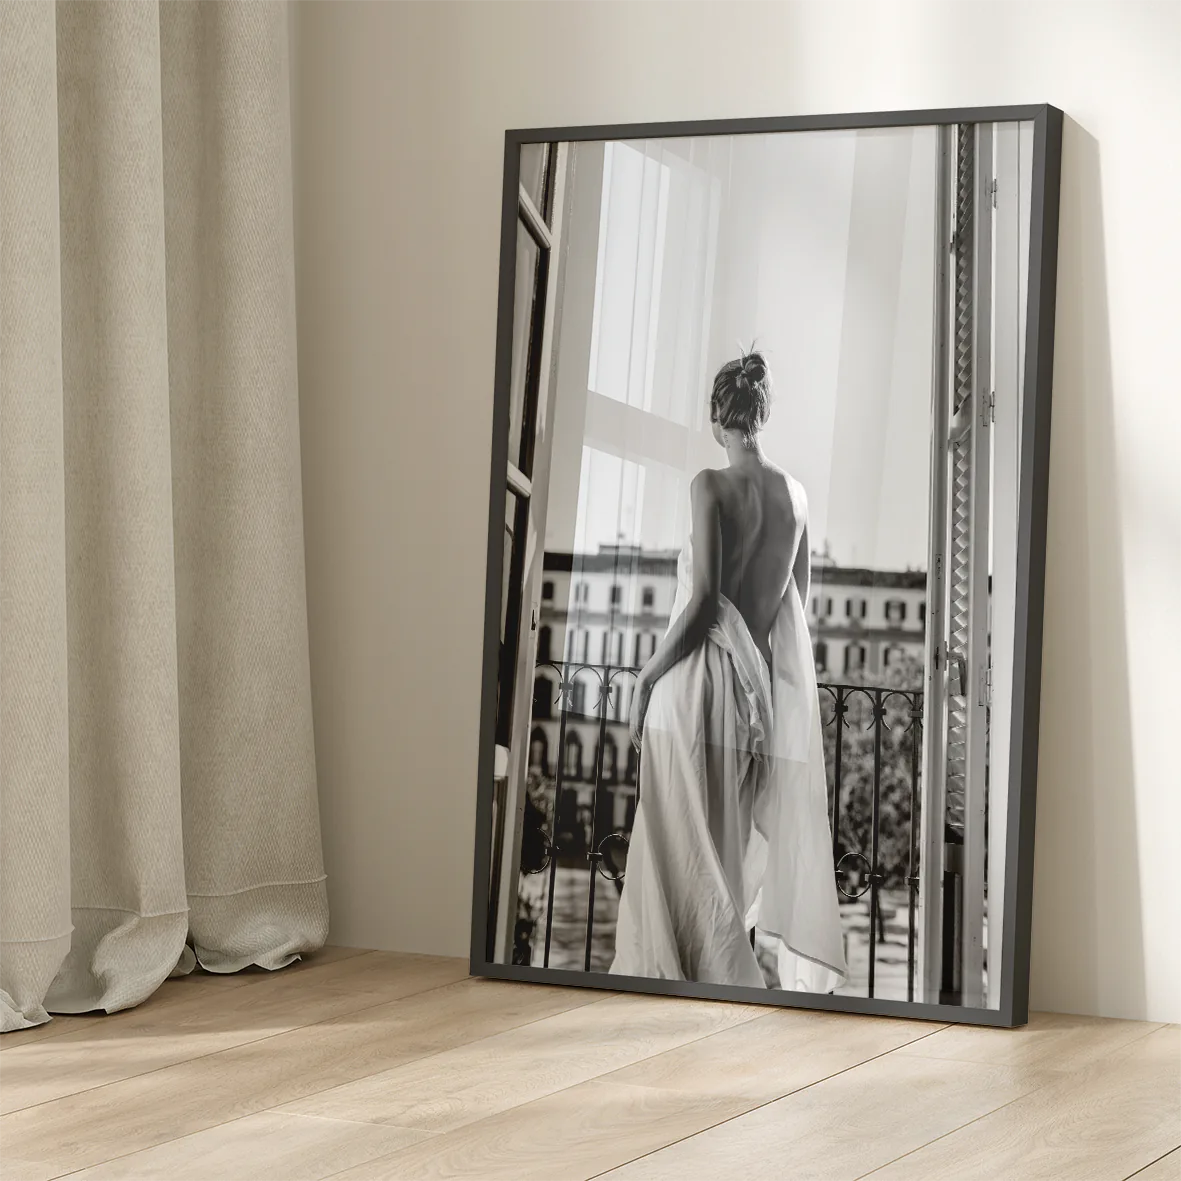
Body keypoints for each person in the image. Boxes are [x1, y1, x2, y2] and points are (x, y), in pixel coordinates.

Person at [609, 351, 847, 992]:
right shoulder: (795, 497)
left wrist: (646, 675)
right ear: (761, 415)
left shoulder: (708, 486)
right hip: (753, 702)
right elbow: (797, 614)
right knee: (722, 856)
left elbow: (707, 598)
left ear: (719, 417)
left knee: (679, 855)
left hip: (695, 687)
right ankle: (720, 989)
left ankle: (681, 985)